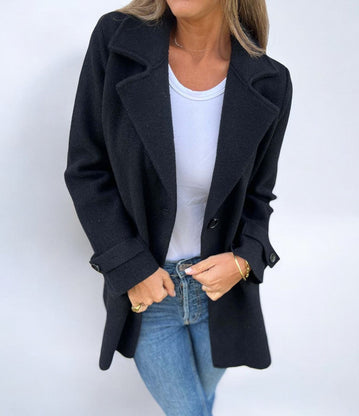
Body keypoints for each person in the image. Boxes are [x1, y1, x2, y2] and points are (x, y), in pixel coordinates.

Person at [64, 0, 293, 415]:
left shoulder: (270, 81)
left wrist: (244, 261)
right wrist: (130, 267)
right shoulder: (117, 40)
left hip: (220, 293)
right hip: (151, 291)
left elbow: (259, 196)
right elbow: (87, 169)